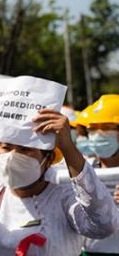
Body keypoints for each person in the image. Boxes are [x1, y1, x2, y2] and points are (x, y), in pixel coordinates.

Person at [0, 97, 119, 255]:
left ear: (47, 159)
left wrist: (69, 149)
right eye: (6, 147)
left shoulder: (64, 199)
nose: (13, 155)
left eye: (24, 149)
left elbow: (104, 224)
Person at [81, 94, 119, 256]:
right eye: (93, 128)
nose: (97, 134)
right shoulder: (83, 169)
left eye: (106, 127)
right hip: (88, 251)